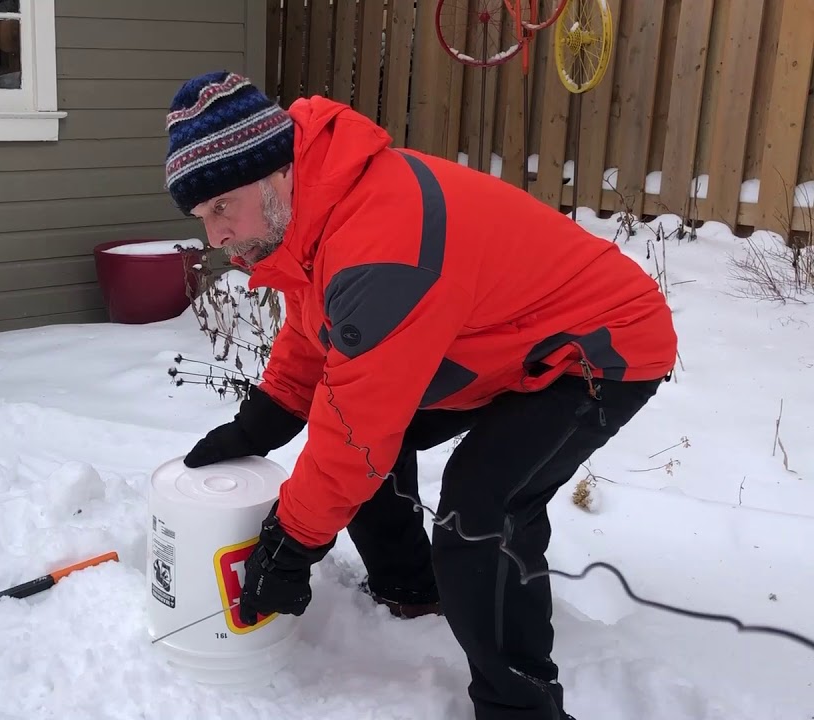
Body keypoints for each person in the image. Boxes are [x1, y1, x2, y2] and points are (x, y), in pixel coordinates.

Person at [165, 70, 677, 720]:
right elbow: (311, 326)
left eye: (220, 208)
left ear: (272, 173)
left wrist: (291, 543)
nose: (214, 236)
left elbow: (353, 430)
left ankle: (520, 709)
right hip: (499, 342)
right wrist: (263, 421)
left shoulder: (378, 244)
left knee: (482, 512)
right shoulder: (314, 207)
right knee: (380, 439)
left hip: (601, 348)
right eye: (201, 216)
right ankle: (411, 587)